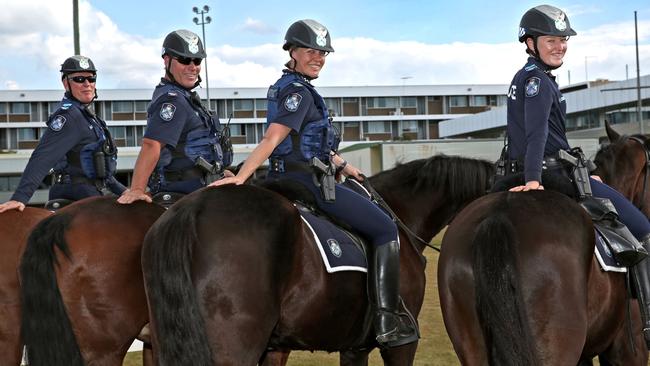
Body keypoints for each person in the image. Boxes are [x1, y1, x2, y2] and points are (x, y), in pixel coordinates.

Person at [210, 19, 418, 348]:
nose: (318, 57)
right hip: (306, 181)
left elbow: (310, 144)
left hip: (292, 174)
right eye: (311, 51)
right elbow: (273, 138)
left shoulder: (295, 86)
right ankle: (386, 317)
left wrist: (344, 165)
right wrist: (241, 176)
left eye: (323, 53)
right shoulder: (297, 91)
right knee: (384, 229)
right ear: (291, 51)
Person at [507, 4, 650, 346]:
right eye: (551, 40)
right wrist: (533, 179)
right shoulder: (538, 83)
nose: (560, 46)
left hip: (536, 169)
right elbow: (537, 134)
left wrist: (585, 172)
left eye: (564, 40)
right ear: (530, 42)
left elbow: (550, 136)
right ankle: (648, 321)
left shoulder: (524, 77)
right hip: (549, 173)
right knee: (645, 229)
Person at [118, 29, 232, 205]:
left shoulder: (187, 98)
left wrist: (220, 172)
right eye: (185, 60)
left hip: (203, 188)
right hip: (183, 195)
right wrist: (137, 190)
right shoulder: (172, 100)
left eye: (197, 60)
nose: (192, 67)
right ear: (167, 60)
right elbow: (152, 144)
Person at [0, 55, 124, 213]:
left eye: (91, 78)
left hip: (94, 191)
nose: (87, 84)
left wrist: (124, 191)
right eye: (79, 79)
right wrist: (20, 197)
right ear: (66, 83)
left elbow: (100, 171)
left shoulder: (90, 118)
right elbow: (43, 156)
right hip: (78, 193)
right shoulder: (68, 117)